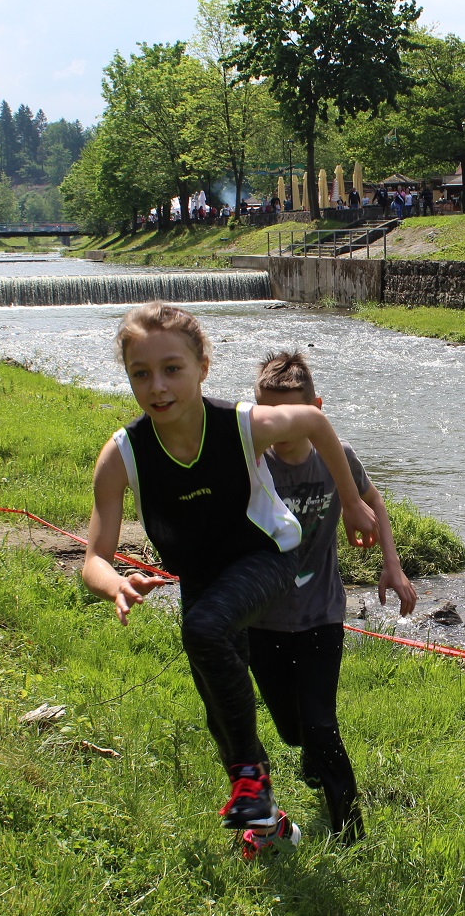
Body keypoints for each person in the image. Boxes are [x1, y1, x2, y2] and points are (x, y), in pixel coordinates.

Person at [82, 303, 379, 857]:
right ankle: (268, 825)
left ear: (203, 367)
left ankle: (255, 780)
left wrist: (353, 501)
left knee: (203, 630)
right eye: (141, 374)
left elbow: (315, 422)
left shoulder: (241, 424)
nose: (158, 387)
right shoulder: (122, 455)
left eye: (172, 369)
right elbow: (93, 557)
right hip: (204, 582)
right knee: (221, 709)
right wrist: (114, 583)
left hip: (269, 557)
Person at [246, 351, 416, 852]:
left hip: (321, 613)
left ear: (315, 410)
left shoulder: (335, 457)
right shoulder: (251, 464)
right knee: (292, 728)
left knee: (321, 722)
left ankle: (351, 834)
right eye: (266, 414)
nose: (277, 426)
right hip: (263, 619)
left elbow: (372, 499)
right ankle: (311, 754)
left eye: (290, 414)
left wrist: (392, 564)